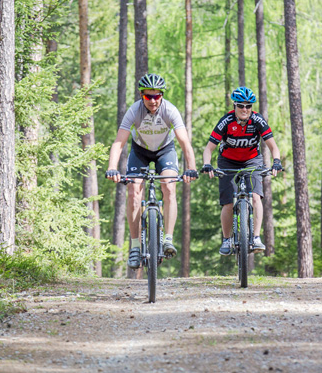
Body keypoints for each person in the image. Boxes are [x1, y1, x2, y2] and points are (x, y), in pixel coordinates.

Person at [106, 73, 198, 269]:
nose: (153, 101)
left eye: (157, 96)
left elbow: (185, 143)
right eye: (149, 96)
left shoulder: (170, 110)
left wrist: (191, 168)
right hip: (140, 151)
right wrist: (112, 168)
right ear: (142, 96)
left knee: (169, 186)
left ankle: (168, 239)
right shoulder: (134, 111)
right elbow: (118, 142)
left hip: (165, 150)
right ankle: (135, 246)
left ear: (162, 95)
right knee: (133, 191)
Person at [201, 87, 282, 256]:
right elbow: (208, 149)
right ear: (235, 106)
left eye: (248, 106)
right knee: (228, 202)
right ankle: (226, 239)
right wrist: (207, 164)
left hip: (252, 160)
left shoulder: (258, 120)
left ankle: (257, 237)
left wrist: (276, 162)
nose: (245, 109)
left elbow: (273, 146)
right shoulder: (226, 121)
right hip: (227, 161)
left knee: (256, 196)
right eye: (241, 106)